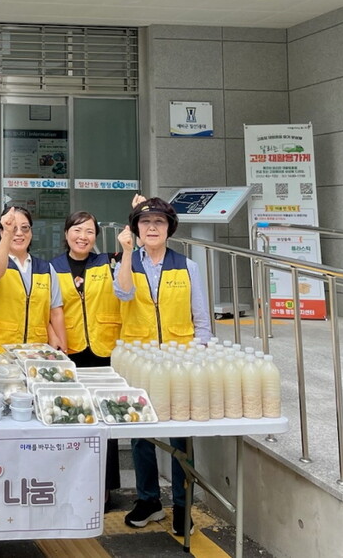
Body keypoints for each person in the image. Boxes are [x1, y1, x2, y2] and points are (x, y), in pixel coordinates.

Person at [115, 196, 213, 538]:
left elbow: (201, 317)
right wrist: (126, 253)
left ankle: (183, 506)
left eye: (159, 222)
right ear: (136, 229)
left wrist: (200, 352)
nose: (152, 228)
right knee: (140, 434)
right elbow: (123, 294)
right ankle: (148, 500)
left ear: (170, 228)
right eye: (145, 222)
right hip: (139, 359)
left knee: (181, 436)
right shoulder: (126, 262)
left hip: (178, 361)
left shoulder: (187, 266)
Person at [50, 210, 121, 501]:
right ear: (66, 233)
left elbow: (139, 253)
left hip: (104, 351)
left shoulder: (108, 262)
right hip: (70, 351)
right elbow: (47, 308)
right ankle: (72, 486)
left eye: (89, 231)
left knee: (108, 417)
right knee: (72, 417)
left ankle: (105, 489)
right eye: (77, 230)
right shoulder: (52, 267)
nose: (83, 237)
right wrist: (54, 339)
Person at [0, 206, 66, 354]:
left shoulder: (46, 269)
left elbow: (55, 312)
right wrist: (7, 234)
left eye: (25, 228)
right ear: (2, 232)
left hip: (38, 352)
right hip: (3, 353)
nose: (19, 233)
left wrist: (62, 349)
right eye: (12, 228)